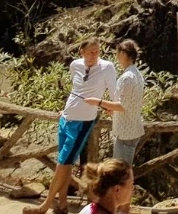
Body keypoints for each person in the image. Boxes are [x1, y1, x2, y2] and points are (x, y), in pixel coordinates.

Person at [23, 38, 120, 214]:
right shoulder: (75, 65)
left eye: (97, 51)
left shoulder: (107, 67)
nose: (94, 55)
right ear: (81, 51)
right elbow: (76, 91)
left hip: (83, 122)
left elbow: (114, 93)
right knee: (65, 164)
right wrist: (65, 110)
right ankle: (62, 205)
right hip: (66, 117)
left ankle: (45, 206)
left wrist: (110, 107)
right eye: (90, 52)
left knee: (62, 163)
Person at [111, 39, 145, 179]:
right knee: (122, 171)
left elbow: (122, 105)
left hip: (126, 131)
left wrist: (99, 102)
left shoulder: (127, 77)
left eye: (118, 52)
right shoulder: (136, 73)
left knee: (120, 174)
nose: (116, 56)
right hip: (131, 128)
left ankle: (123, 201)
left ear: (124, 54)